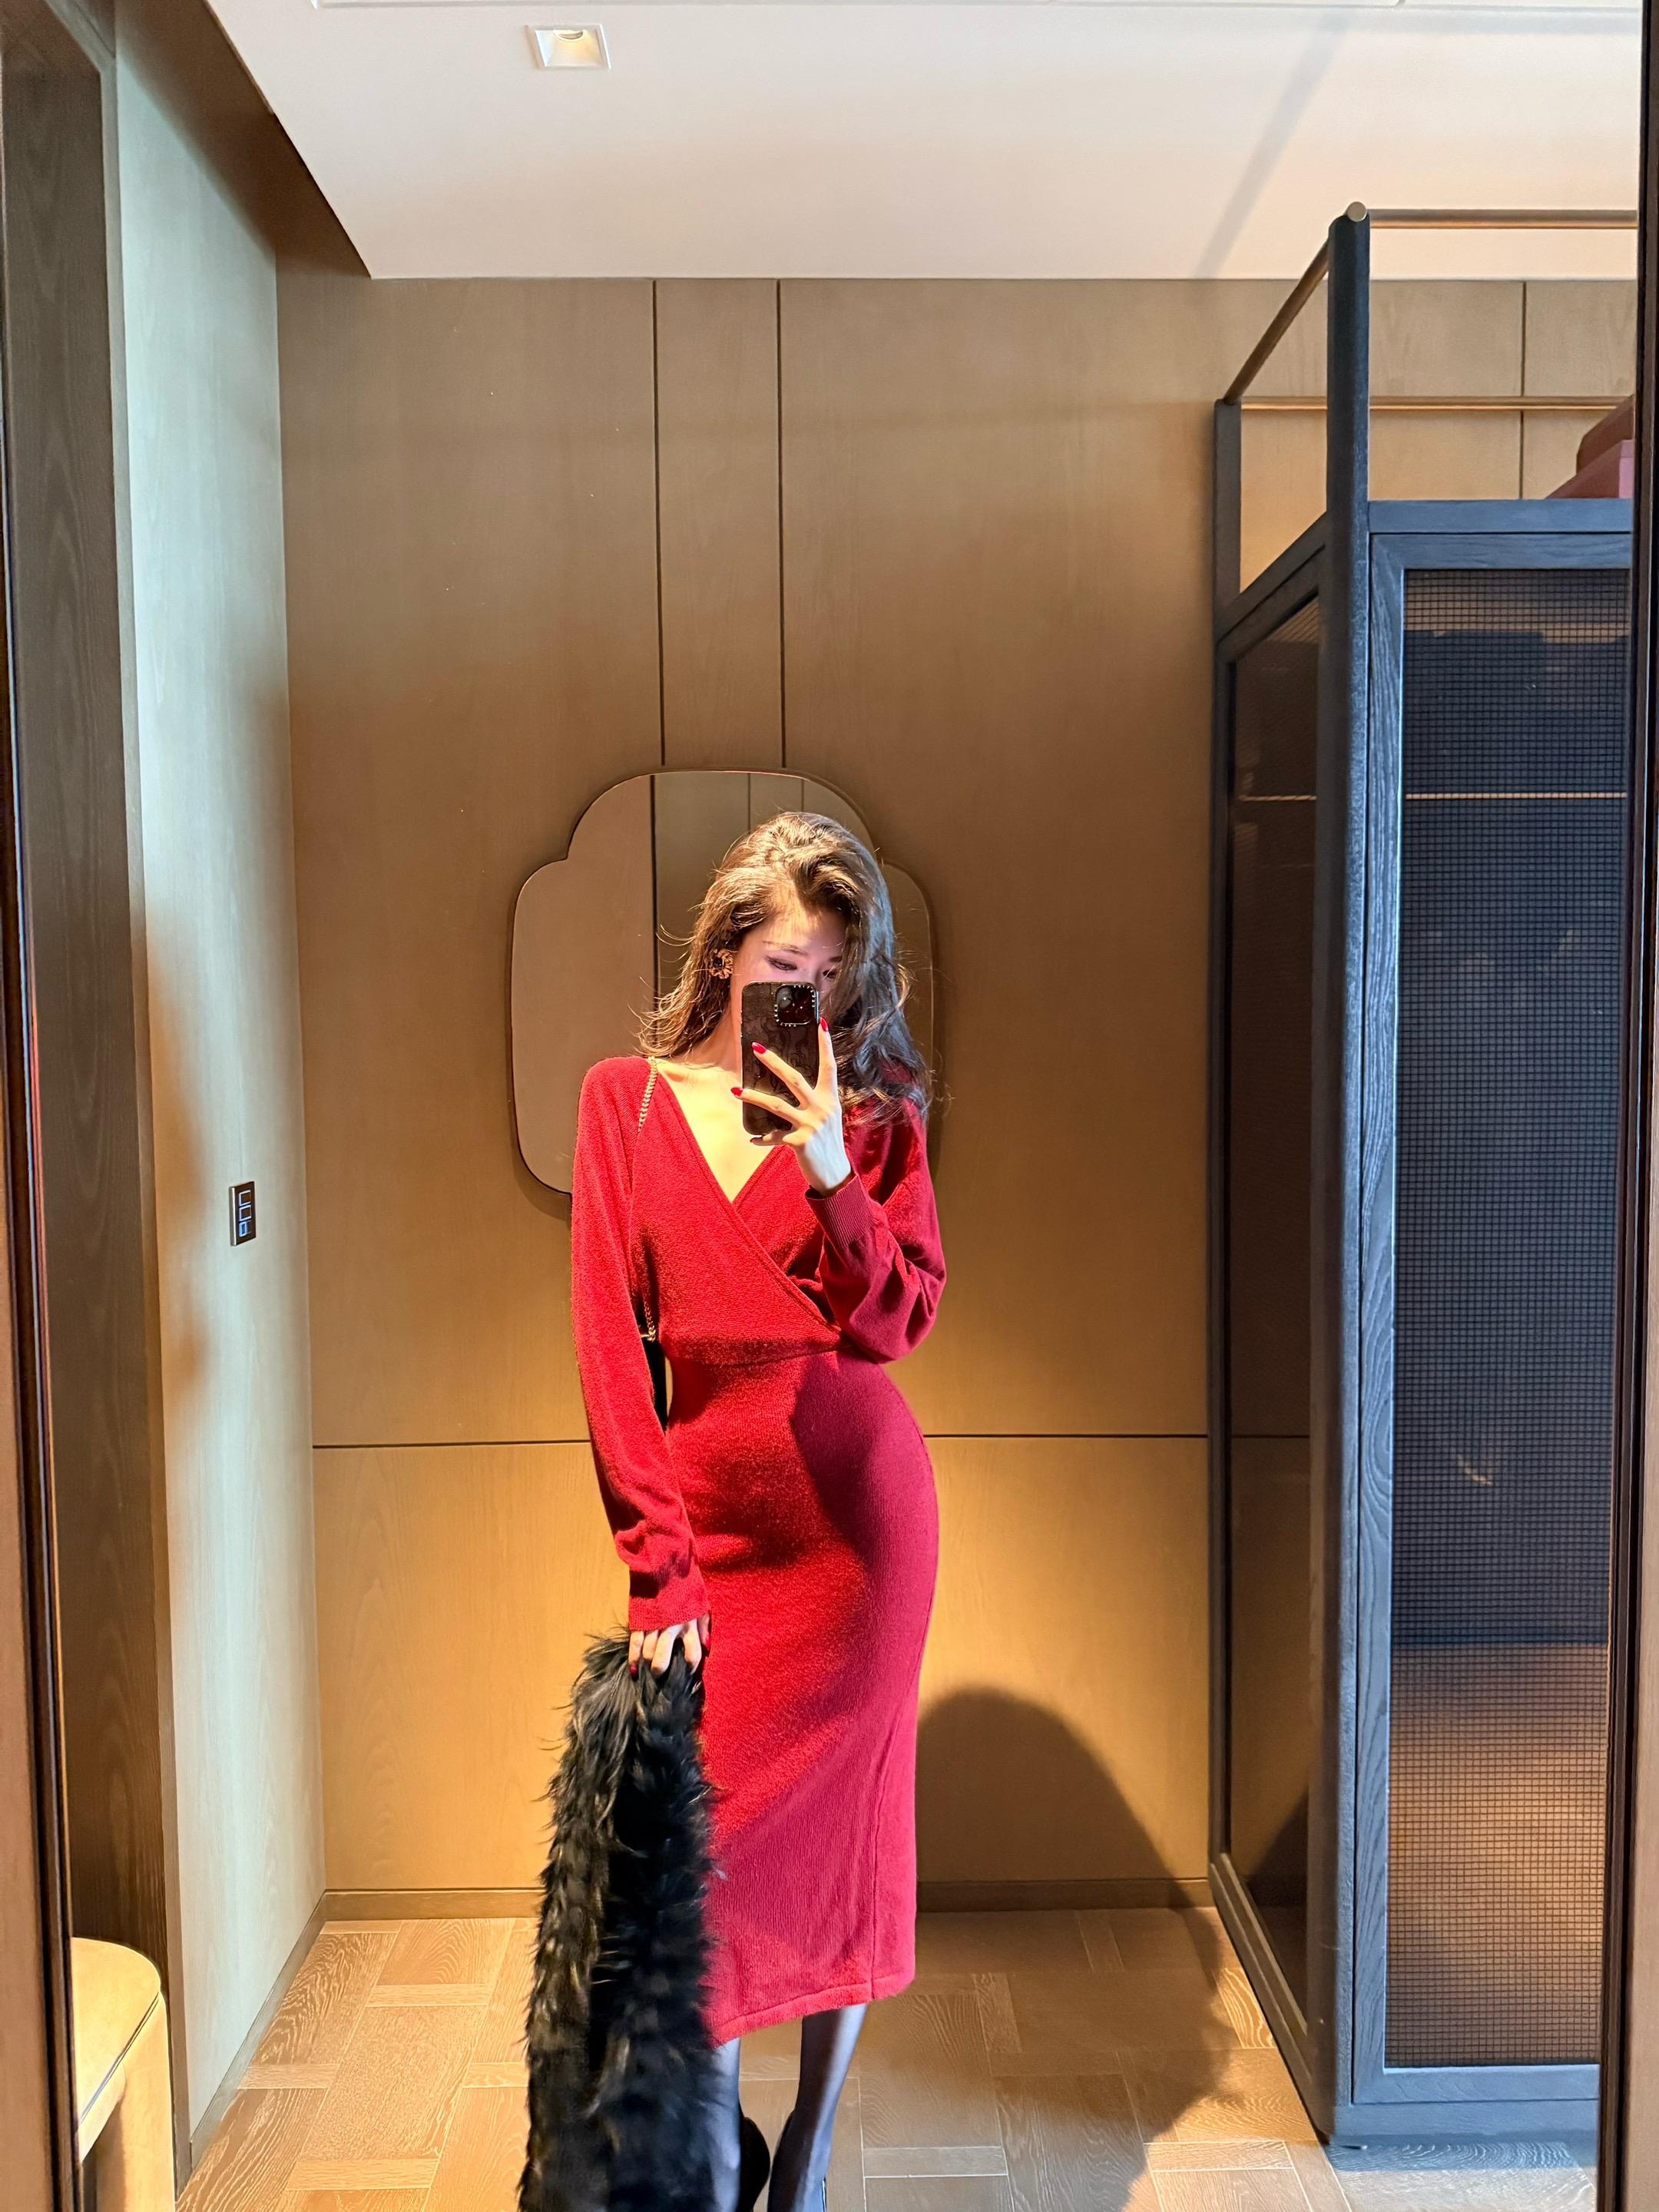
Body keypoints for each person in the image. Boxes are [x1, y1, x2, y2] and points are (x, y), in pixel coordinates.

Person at [570, 810, 946, 2212]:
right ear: (727, 952)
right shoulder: (625, 1103)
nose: (810, 1001)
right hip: (717, 1543)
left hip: (862, 1537)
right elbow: (612, 1349)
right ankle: (717, 2162)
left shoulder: (875, 1122)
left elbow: (897, 1324)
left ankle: (811, 2152)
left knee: (850, 1844)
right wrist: (657, 1563)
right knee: (710, 1872)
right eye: (786, 969)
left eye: (833, 977)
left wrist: (833, 1170)